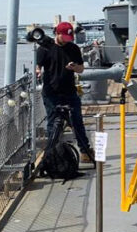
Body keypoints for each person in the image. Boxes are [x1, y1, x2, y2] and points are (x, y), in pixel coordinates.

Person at [35, 22, 94, 163]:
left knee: (77, 121)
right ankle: (54, 154)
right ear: (57, 34)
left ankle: (85, 151)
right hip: (51, 92)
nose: (67, 40)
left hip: (69, 91)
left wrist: (74, 67)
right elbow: (38, 66)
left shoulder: (73, 48)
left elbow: (81, 69)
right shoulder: (45, 48)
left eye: (69, 38)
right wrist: (38, 72)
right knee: (53, 123)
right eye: (65, 37)